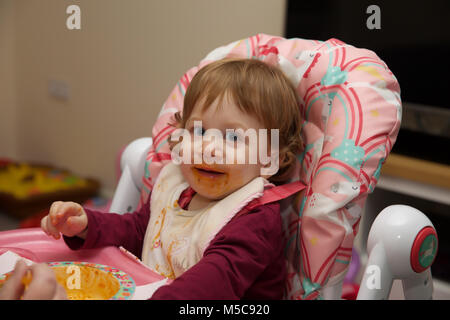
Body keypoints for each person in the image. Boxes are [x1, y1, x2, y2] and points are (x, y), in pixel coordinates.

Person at [3, 58, 304, 299]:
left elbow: (212, 285)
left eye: (233, 137)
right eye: (198, 131)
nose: (208, 148)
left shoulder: (254, 218)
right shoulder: (178, 186)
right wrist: (87, 225)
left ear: (272, 158)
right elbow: (140, 230)